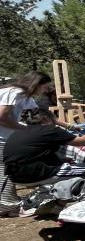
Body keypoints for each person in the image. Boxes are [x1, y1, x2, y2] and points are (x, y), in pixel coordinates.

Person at [0, 72, 53, 215]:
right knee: (7, 171)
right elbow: (2, 116)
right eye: (44, 87)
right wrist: (23, 128)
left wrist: (67, 126)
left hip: (10, 138)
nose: (44, 90)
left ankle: (7, 203)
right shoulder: (14, 92)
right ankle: (8, 207)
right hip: (3, 139)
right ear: (36, 84)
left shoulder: (26, 98)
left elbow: (40, 115)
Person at [4, 109, 85, 185]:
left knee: (67, 161)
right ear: (46, 119)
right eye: (54, 120)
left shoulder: (19, 132)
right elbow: (83, 141)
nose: (55, 122)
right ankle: (62, 201)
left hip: (14, 178)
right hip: (36, 175)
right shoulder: (50, 130)